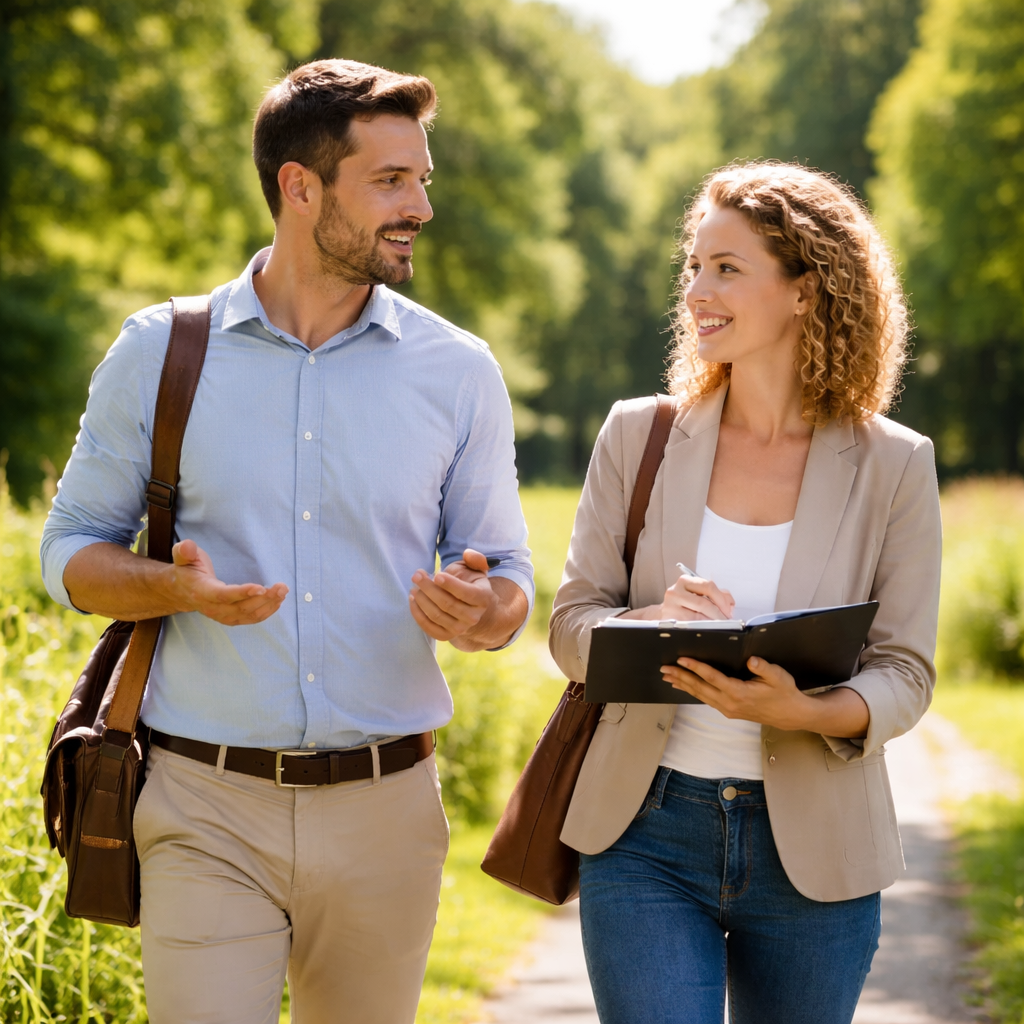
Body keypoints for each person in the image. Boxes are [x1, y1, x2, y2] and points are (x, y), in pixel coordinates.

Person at [40, 59, 533, 1024]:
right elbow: (68, 555)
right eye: (391, 181)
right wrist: (174, 590)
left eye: (422, 179)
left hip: (387, 808)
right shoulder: (160, 351)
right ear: (298, 187)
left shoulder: (457, 371)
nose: (421, 207)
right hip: (203, 803)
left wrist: (484, 611)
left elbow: (508, 575)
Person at [549, 162, 940, 1024]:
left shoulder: (895, 463)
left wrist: (806, 712)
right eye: (694, 266)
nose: (697, 290)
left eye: (727, 268)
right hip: (646, 834)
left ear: (807, 290)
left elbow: (906, 672)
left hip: (817, 850)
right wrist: (646, 623)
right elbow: (571, 625)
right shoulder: (637, 435)